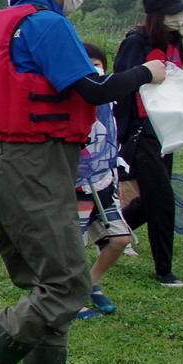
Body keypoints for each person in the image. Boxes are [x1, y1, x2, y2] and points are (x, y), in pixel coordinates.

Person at [0, 0, 168, 364]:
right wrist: (147, 73)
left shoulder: (3, 23)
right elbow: (94, 89)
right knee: (69, 285)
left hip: (11, 158)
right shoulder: (46, 23)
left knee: (50, 278)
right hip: (35, 161)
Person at [114, 0, 183, 288]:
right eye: (173, 13)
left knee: (150, 200)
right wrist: (124, 133)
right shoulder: (135, 43)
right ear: (158, 16)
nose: (180, 18)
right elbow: (121, 85)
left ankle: (103, 229)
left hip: (164, 130)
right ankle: (164, 271)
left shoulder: (175, 43)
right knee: (162, 200)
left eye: (182, 12)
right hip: (139, 132)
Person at [73, 42, 132, 320]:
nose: (95, 69)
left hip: (103, 180)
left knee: (120, 238)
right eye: (89, 64)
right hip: (76, 184)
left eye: (99, 64)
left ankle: (91, 281)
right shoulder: (73, 98)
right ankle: (71, 300)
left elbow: (111, 141)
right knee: (74, 245)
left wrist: (115, 174)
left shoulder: (110, 101)